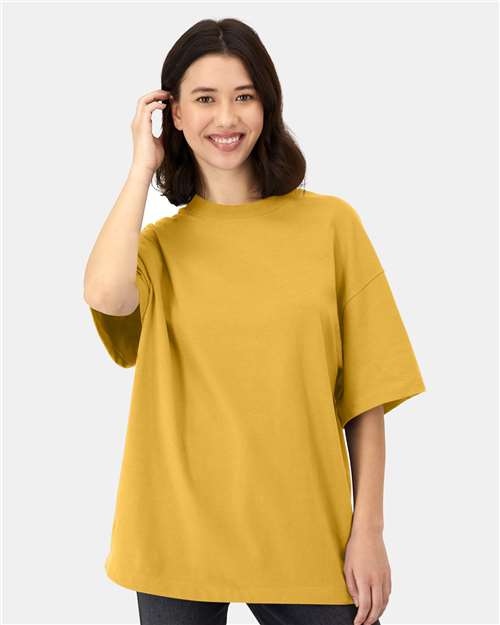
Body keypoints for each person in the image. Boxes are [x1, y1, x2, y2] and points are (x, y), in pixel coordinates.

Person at [83, 17, 426, 625]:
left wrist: (368, 530)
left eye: (244, 96)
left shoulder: (331, 227)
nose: (226, 117)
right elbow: (107, 295)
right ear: (173, 114)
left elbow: (366, 396)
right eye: (204, 99)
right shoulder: (157, 249)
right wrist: (141, 167)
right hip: (175, 536)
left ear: (267, 105)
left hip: (305, 532)